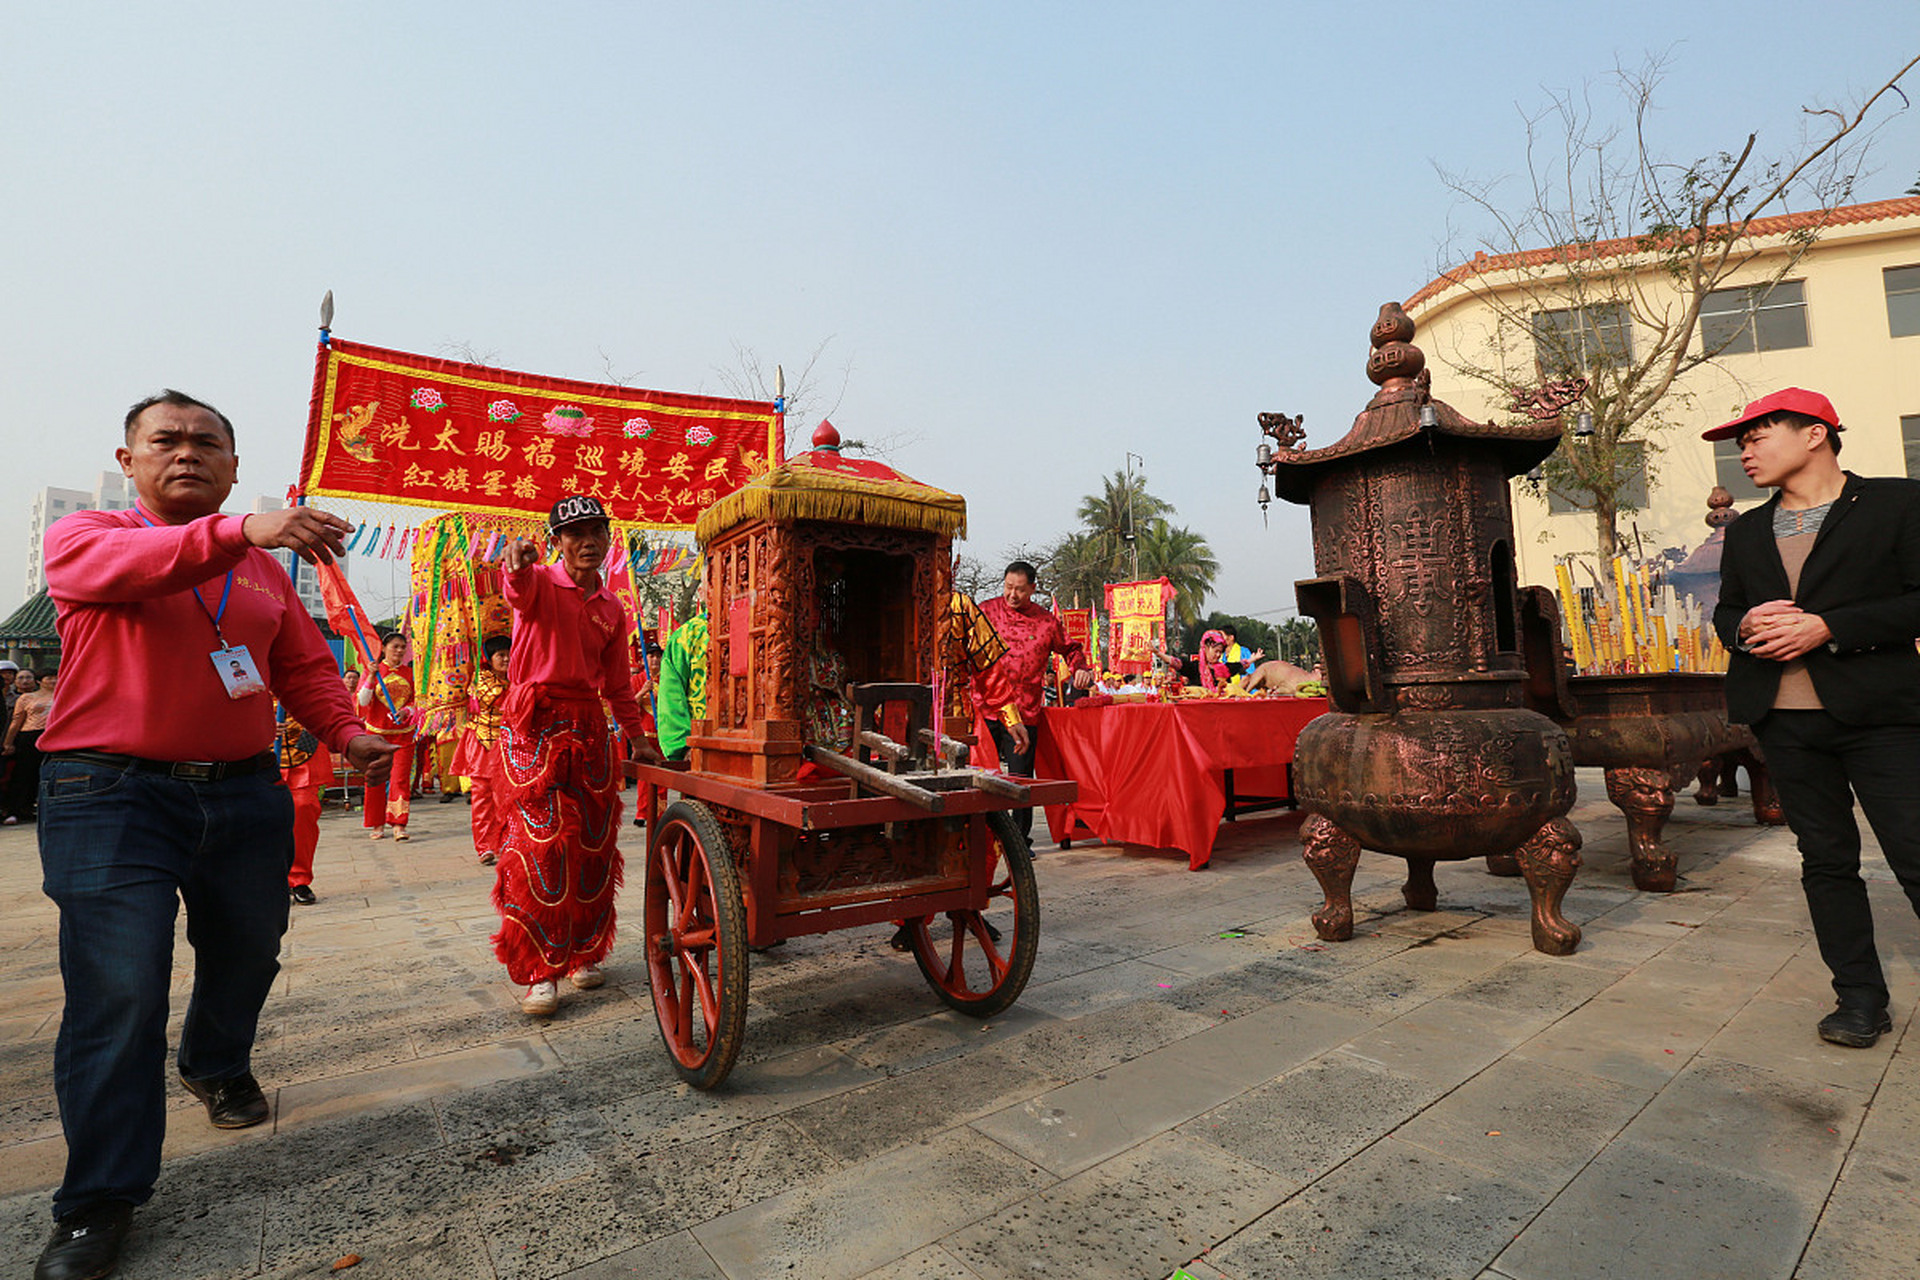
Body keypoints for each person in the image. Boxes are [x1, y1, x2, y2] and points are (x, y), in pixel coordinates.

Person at [31, 389, 395, 1280]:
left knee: (250, 950)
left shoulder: (262, 572)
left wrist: (348, 733)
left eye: (206, 443)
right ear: (130, 462)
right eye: (166, 440)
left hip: (242, 793)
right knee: (120, 990)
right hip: (108, 793)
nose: (186, 453)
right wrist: (244, 532)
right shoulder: (87, 538)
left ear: (233, 468)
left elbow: (301, 666)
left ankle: (214, 1060)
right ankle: (97, 1201)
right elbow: (136, 567)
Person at [1710, 387, 1920, 1050]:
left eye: (1757, 436)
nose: (1745, 453)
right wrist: (1742, 625)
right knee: (1826, 861)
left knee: (1914, 851)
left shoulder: (1897, 503)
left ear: (1815, 433)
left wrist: (1830, 627)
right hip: (1785, 720)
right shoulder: (1747, 530)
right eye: (1742, 444)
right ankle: (1858, 998)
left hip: (1881, 716)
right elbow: (1727, 613)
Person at [495, 496, 647, 1016]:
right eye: (575, 533)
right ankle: (540, 969)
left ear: (608, 538)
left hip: (589, 728)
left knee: (593, 845)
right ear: (556, 542)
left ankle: (584, 951)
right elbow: (516, 589)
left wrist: (638, 737)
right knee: (540, 847)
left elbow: (619, 685)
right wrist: (516, 566)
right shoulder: (539, 583)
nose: (588, 542)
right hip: (535, 727)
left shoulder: (612, 608)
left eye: (596, 532)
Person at [970, 561, 1093, 840]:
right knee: (978, 776)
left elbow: (1072, 649)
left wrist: (1080, 668)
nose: (1012, 595)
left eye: (1020, 590)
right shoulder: (985, 612)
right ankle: (979, 840)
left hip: (1024, 712)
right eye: (1008, 587)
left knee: (1021, 780)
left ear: (1033, 589)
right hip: (985, 708)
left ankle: (1019, 842)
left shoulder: (1047, 622)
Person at [454, 636, 511, 866]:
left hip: (508, 743)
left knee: (506, 797)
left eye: (509, 654)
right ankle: (485, 846)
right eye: (501, 655)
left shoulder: (516, 677)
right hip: (482, 743)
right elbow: (500, 698)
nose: (506, 659)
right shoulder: (482, 678)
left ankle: (505, 842)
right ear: (489, 658)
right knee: (482, 796)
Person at [357, 630, 416, 841]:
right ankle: (377, 823)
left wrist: (406, 711)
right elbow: (363, 701)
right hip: (376, 735)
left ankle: (399, 824)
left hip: (403, 735)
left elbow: (416, 702)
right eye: (395, 647)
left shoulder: (410, 674)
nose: (399, 651)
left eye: (402, 647)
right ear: (383, 648)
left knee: (400, 780)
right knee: (376, 779)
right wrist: (371, 677)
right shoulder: (372, 670)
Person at [277, 703, 330, 906]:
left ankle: (298, 879)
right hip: (258, 747)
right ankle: (268, 880)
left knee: (303, 807)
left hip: (303, 742)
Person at [656, 588, 710, 763]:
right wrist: (683, 746)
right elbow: (671, 697)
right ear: (703, 591)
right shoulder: (687, 635)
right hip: (701, 744)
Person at [3, 668, 54, 823]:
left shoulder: (65, 695)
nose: (53, 681)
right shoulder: (27, 698)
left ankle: (43, 809)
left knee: (50, 774)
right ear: (39, 681)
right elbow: (16, 721)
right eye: (49, 678)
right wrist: (8, 742)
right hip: (29, 736)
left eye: (55, 677)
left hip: (54, 736)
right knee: (24, 774)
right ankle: (15, 810)